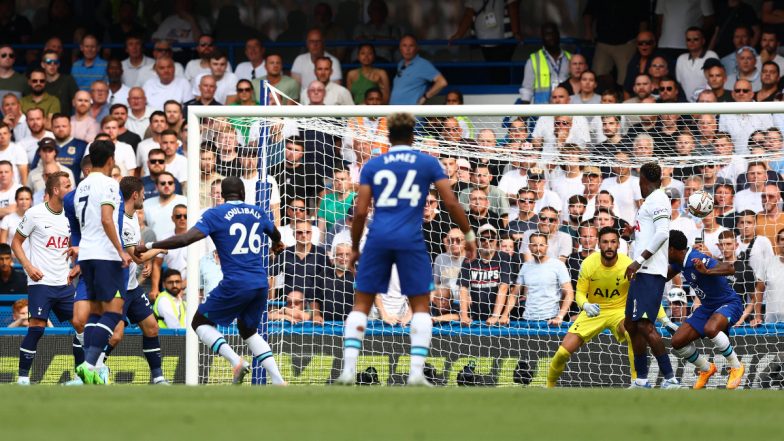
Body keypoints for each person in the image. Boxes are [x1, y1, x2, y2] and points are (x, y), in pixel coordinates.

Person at [335, 112, 476, 386]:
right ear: (413, 136)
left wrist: (354, 246)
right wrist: (468, 234)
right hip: (410, 239)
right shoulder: (427, 162)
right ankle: (415, 374)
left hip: (378, 237)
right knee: (421, 305)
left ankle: (348, 372)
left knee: (362, 303)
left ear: (388, 137)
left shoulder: (374, 165)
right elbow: (451, 203)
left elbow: (361, 212)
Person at [134, 176, 287, 385]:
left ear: (222, 196)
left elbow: (185, 239)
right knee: (248, 330)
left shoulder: (215, 214)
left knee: (199, 322)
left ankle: (236, 361)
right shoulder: (258, 212)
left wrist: (151, 244)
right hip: (260, 282)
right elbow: (275, 232)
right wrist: (277, 243)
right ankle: (279, 380)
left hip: (235, 282)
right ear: (243, 194)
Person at [546, 227, 677, 388]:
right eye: (605, 242)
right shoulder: (588, 264)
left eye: (613, 242)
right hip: (594, 312)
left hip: (619, 312)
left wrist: (664, 319)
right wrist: (585, 305)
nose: (609, 246)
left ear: (618, 245)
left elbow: (644, 295)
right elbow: (579, 293)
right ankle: (549, 386)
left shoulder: (628, 265)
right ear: (599, 244)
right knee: (562, 353)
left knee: (632, 333)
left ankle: (638, 382)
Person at [12, 172, 83, 385]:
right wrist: (28, 266)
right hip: (40, 282)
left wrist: (78, 266)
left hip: (65, 283)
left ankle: (80, 377)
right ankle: (23, 378)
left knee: (82, 326)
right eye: (66, 186)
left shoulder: (72, 215)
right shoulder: (35, 214)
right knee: (37, 328)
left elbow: (82, 244)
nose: (70, 189)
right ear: (55, 190)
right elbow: (16, 243)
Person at [72, 141, 131, 385]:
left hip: (86, 254)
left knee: (96, 313)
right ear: (110, 159)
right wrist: (121, 251)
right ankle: (88, 365)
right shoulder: (109, 184)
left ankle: (92, 365)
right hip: (105, 255)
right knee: (114, 311)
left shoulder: (81, 186)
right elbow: (108, 219)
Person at [623, 161, 680, 389]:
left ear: (643, 180)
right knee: (631, 325)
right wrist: (632, 234)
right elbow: (648, 234)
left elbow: (662, 234)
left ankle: (671, 378)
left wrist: (637, 262)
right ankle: (642, 379)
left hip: (648, 271)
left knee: (645, 325)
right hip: (642, 272)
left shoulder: (659, 200)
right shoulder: (651, 202)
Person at [667, 229, 746, 389]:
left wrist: (707, 271)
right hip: (708, 307)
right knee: (677, 341)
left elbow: (730, 269)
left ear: (671, 250)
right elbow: (662, 277)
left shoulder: (697, 258)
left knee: (711, 328)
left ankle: (737, 367)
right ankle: (706, 368)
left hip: (729, 302)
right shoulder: (679, 262)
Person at [458, 224, 512, 326]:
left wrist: (496, 316)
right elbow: (463, 287)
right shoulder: (469, 258)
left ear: (496, 241)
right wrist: (464, 315)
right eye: (483, 239)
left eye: (491, 239)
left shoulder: (504, 257)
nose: (487, 242)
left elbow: (504, 286)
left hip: (499, 317)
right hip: (475, 315)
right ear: (478, 241)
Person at [520, 23, 571, 104]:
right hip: (543, 111)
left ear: (558, 35)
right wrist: (524, 113)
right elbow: (527, 90)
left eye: (553, 33)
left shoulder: (570, 58)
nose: (551, 37)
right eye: (547, 34)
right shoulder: (533, 60)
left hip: (566, 110)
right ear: (542, 38)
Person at [389, 35, 448, 105]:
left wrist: (425, 97)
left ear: (417, 48)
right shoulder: (400, 64)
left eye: (411, 46)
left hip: (411, 114)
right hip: (396, 113)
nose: (408, 49)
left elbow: (442, 82)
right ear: (400, 48)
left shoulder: (422, 64)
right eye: (404, 45)